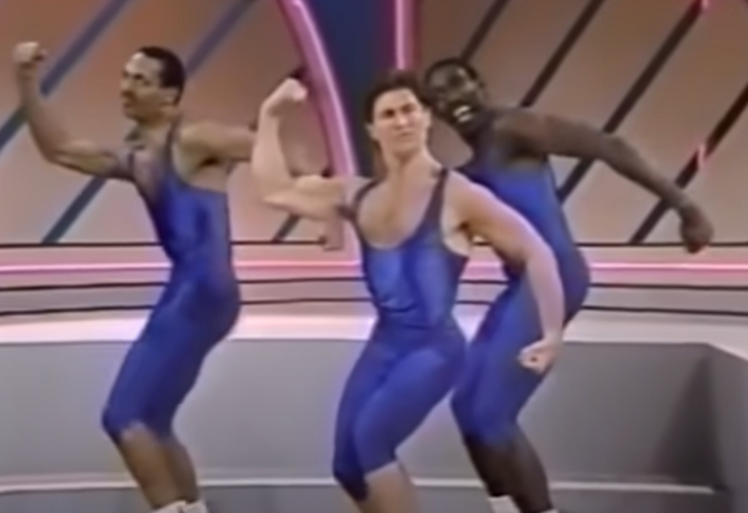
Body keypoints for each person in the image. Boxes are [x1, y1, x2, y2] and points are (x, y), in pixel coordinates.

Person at [250, 71, 566, 513]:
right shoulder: (356, 194)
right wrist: (271, 114)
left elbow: (536, 251)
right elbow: (275, 190)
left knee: (372, 443)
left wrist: (551, 333)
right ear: (372, 129)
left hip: (434, 348)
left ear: (426, 118)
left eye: (410, 110)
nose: (402, 121)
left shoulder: (458, 195)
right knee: (347, 465)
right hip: (385, 343)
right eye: (389, 114)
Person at [423, 57, 714, 513]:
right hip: (521, 286)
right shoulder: (470, 174)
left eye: (458, 85)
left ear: (480, 84)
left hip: (555, 279)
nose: (451, 100)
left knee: (489, 415)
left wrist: (686, 208)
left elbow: (608, 146)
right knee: (467, 410)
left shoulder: (512, 128)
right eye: (439, 97)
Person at [13, 42, 256, 513]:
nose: (125, 87)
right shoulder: (139, 159)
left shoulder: (195, 139)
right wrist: (26, 82)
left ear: (169, 97)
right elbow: (59, 150)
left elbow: (268, 147)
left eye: (140, 80)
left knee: (122, 416)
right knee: (155, 421)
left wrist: (317, 201)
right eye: (126, 76)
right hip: (202, 294)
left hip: (200, 293)